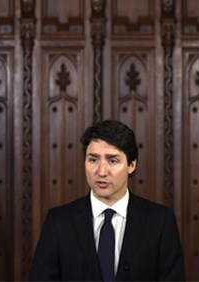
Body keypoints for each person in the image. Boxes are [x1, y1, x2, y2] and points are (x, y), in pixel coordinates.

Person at [30, 120, 185, 281]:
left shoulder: (159, 221)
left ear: (131, 165)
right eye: (93, 160)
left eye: (113, 160)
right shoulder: (59, 221)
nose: (101, 172)